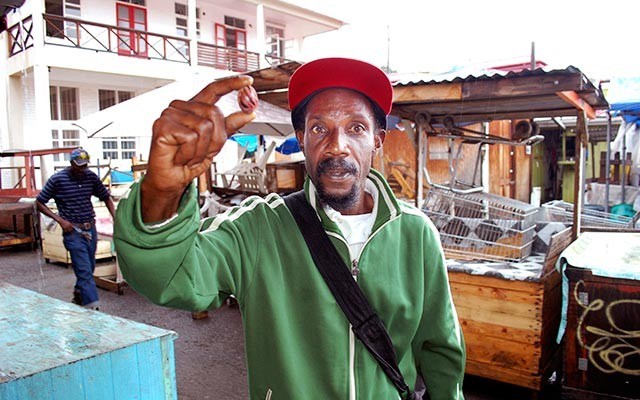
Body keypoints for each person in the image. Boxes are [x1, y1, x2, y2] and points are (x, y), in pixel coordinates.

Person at [114, 58, 465, 399]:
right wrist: (162, 191)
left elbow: (440, 349)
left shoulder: (416, 234)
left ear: (377, 139)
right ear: (302, 139)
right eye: (319, 128)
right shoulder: (258, 228)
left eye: (356, 128)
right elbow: (171, 277)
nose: (337, 145)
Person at [37, 148, 115, 310]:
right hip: (72, 231)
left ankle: (79, 295)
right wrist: (60, 220)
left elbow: (105, 197)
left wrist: (116, 218)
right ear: (71, 163)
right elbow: (39, 202)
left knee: (89, 267)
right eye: (79, 166)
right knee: (85, 270)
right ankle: (93, 308)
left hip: (90, 229)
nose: (82, 169)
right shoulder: (58, 180)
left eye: (85, 165)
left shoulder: (91, 177)